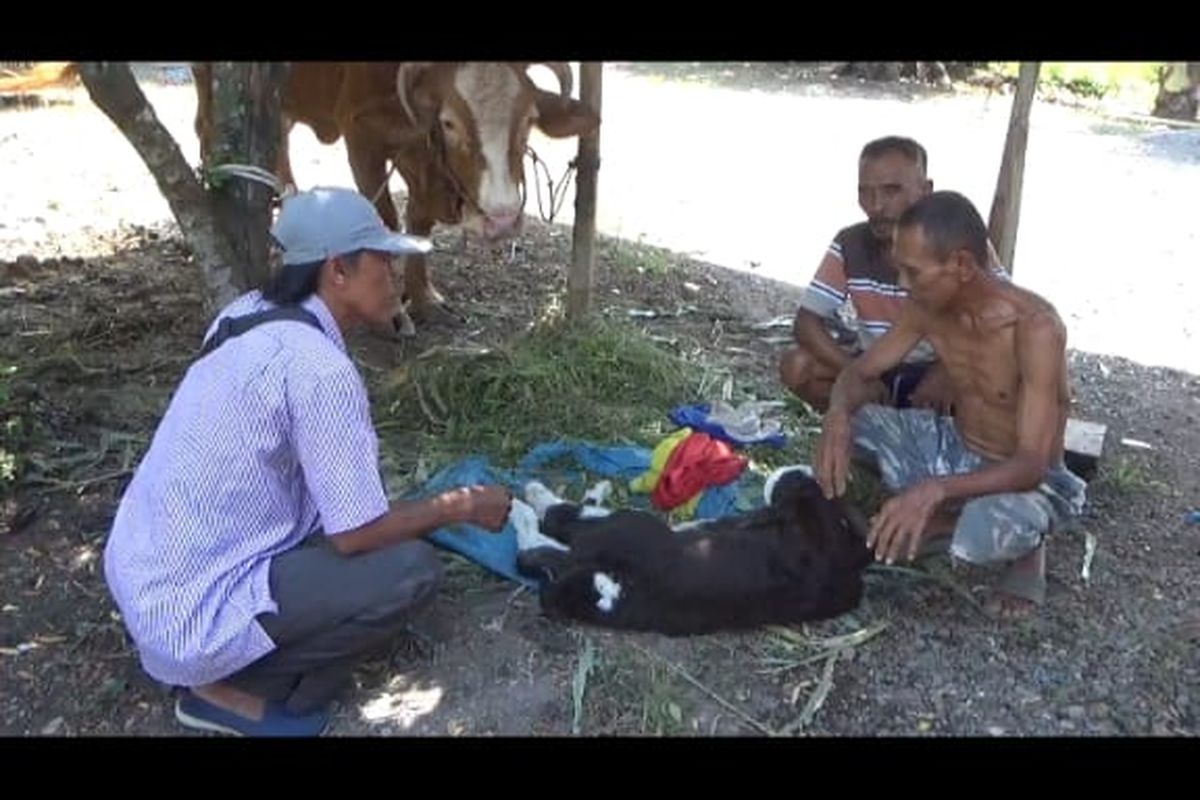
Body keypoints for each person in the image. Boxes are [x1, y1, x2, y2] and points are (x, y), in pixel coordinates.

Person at [103, 187, 512, 736]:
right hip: (193, 612)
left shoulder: (247, 313)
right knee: (409, 572)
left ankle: (224, 664)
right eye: (382, 260)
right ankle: (231, 688)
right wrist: (458, 507)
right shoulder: (320, 371)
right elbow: (355, 536)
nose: (395, 273)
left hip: (146, 574)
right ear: (337, 271)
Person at [813, 190, 1086, 620]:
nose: (903, 284)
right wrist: (837, 417)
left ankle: (1024, 546)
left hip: (1024, 479)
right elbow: (860, 373)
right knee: (855, 424)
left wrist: (933, 490)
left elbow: (1032, 463)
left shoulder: (1036, 329)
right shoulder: (927, 307)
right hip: (952, 449)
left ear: (960, 265)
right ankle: (931, 518)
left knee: (987, 532)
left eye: (913, 272)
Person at [780, 135, 1005, 413]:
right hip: (876, 365)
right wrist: (857, 374)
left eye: (891, 191)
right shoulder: (850, 243)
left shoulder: (961, 242)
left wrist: (947, 371)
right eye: (865, 192)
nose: (875, 206)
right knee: (798, 366)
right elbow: (806, 323)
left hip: (945, 368)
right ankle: (864, 432)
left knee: (996, 383)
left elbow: (1003, 319)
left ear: (925, 190)